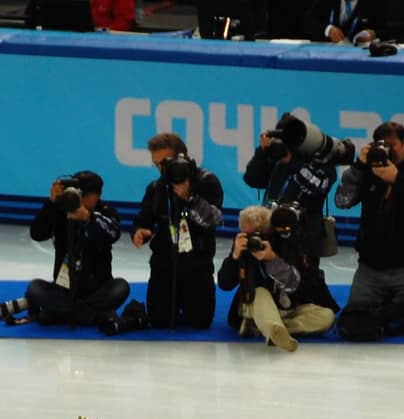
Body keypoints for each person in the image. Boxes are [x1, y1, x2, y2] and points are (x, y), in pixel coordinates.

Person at [0, 171, 130, 331]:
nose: (83, 200)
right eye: (81, 195)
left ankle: (57, 314)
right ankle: (92, 315)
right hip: (63, 289)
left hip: (98, 288)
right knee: (35, 287)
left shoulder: (106, 212)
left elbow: (113, 233)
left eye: (88, 196)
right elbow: (37, 234)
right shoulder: (60, 211)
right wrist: (51, 202)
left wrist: (88, 218)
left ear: (98, 195)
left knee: (121, 287)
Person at [333, 121, 404, 320]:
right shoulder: (367, 172)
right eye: (383, 146)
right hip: (371, 268)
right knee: (354, 318)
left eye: (393, 146)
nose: (388, 151)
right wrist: (358, 166)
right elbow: (342, 201)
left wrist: (397, 179)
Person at [132, 133, 225, 330]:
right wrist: (140, 231)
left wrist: (190, 198)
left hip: (197, 264)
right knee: (159, 321)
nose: (160, 169)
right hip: (164, 265)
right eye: (156, 164)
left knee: (200, 322)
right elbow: (143, 218)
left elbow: (214, 221)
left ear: (180, 157)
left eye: (164, 163)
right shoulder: (156, 187)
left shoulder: (207, 181)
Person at [217, 204, 338, 352]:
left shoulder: (285, 245)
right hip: (256, 305)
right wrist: (234, 257)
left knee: (327, 317)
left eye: (258, 233)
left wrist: (272, 259)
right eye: (248, 235)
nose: (254, 239)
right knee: (260, 292)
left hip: (288, 306)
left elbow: (295, 283)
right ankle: (273, 328)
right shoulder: (242, 248)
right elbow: (224, 284)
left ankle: (274, 330)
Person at [243, 123, 338, 267]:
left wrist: (293, 161)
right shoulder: (277, 160)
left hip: (303, 240)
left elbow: (317, 186)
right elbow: (252, 179)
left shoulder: (320, 162)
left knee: (303, 284)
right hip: (271, 232)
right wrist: (262, 152)